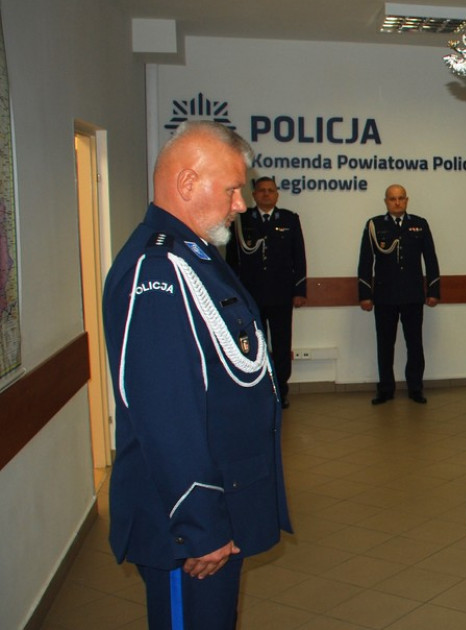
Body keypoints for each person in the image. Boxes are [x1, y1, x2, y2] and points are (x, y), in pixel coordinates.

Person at [101, 120, 291, 629]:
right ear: (187, 184)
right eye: (231, 189)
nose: (241, 205)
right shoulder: (157, 269)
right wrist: (201, 525)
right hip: (189, 531)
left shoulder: (194, 254)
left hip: (218, 507)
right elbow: (166, 412)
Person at [226, 176, 307, 409]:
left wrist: (299, 290)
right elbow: (232, 260)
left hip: (281, 295)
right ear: (254, 195)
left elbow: (298, 258)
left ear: (277, 194)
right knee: (254, 345)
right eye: (261, 191)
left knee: (282, 346)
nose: (266, 194)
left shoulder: (290, 220)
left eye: (270, 190)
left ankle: (281, 390)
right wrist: (234, 294)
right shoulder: (241, 221)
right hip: (250, 296)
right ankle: (257, 390)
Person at [358, 184, 441, 405]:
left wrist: (433, 290)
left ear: (407, 200)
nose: (397, 202)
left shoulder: (419, 225)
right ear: (386, 201)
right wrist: (365, 294)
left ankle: (415, 388)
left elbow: (430, 259)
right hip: (384, 296)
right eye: (392, 198)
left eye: (401, 198)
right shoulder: (374, 225)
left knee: (415, 344)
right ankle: (385, 389)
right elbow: (365, 261)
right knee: (385, 345)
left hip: (413, 295)